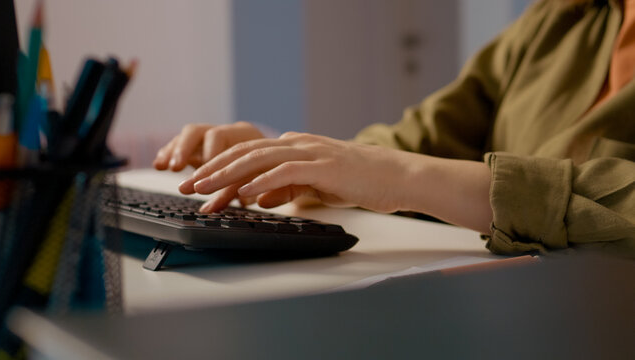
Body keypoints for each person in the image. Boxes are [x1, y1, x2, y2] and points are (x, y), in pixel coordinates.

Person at [153, 0, 635, 258]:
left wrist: (403, 177)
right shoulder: (560, 17)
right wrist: (291, 157)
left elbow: (401, 168)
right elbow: (413, 143)